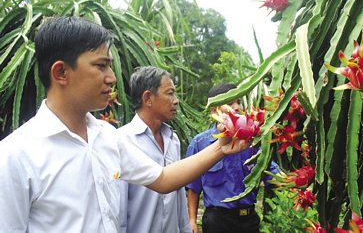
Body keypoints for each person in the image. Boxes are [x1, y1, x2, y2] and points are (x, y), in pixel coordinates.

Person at [0, 17, 249, 233]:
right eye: (101, 65)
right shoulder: (16, 155)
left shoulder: (106, 136)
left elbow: (163, 179)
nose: (111, 77)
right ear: (61, 73)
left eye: (110, 65)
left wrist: (221, 147)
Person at [186, 83, 280, 233]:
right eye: (230, 103)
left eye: (239, 102)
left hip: (248, 220)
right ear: (214, 110)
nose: (236, 107)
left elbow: (269, 169)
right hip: (217, 221)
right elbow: (193, 188)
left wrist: (292, 183)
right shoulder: (200, 143)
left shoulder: (253, 141)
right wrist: (191, 220)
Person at [119, 66, 191, 233]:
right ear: (148, 98)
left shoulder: (172, 140)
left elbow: (179, 194)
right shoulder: (123, 141)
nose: (176, 100)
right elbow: (119, 208)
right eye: (170, 93)